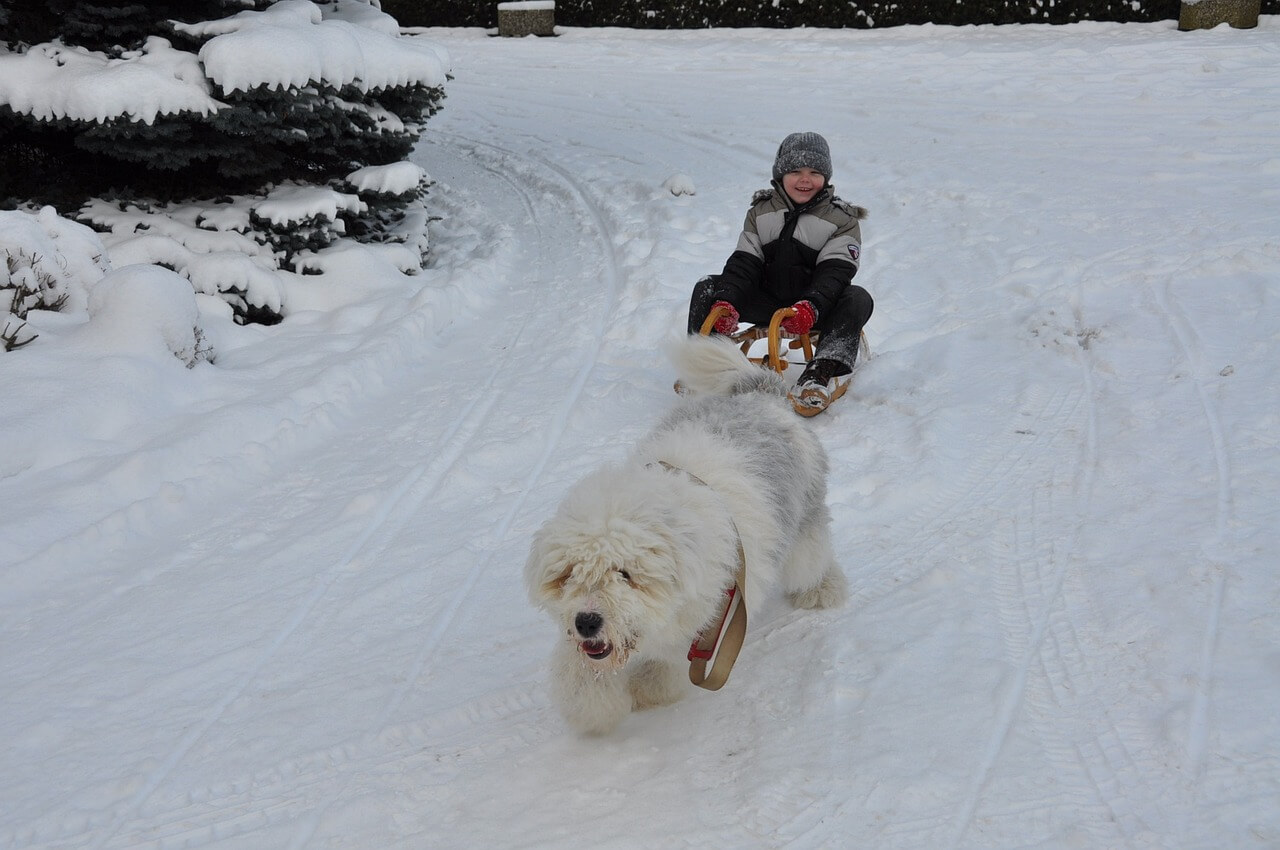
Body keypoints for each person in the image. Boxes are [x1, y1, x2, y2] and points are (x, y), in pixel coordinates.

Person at [687, 131, 873, 415]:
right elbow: (744, 263)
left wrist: (811, 306)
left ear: (826, 177)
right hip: (767, 299)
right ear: (779, 174)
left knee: (857, 298)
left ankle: (819, 373)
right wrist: (728, 302)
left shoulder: (841, 219)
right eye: (795, 171)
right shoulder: (761, 213)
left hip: (814, 307)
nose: (805, 179)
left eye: (814, 172)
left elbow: (835, 272)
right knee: (709, 287)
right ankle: (706, 363)